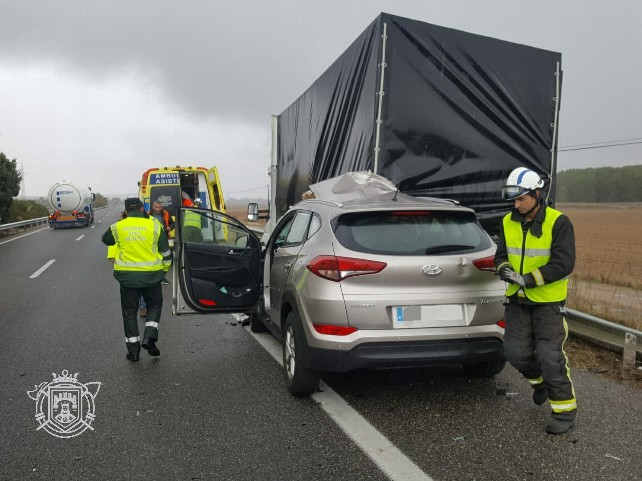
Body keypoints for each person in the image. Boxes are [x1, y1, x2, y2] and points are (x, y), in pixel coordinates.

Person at [494, 167, 577, 435]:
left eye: (522, 199)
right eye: (514, 200)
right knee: (514, 353)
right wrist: (504, 268)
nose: (516, 205)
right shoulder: (508, 221)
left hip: (549, 303)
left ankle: (564, 411)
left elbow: (563, 263)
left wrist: (529, 279)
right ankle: (540, 383)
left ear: (537, 195)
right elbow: (501, 255)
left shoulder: (559, 222)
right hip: (517, 301)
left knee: (551, 356)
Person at [102, 197, 172, 362]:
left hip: (127, 279)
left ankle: (133, 353)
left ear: (126, 211)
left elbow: (106, 240)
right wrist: (163, 271)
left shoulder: (118, 226)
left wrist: (121, 222)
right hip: (152, 276)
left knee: (129, 313)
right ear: (142, 209)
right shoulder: (155, 225)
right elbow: (166, 253)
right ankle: (149, 337)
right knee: (154, 306)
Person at [148, 201, 175, 285]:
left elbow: (173, 223)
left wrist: (170, 228)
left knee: (166, 258)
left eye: (160, 207)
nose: (158, 209)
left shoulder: (166, 213)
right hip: (152, 240)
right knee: (154, 258)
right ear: (153, 207)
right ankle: (153, 276)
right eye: (157, 207)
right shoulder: (148, 214)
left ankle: (162, 277)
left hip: (163, 239)